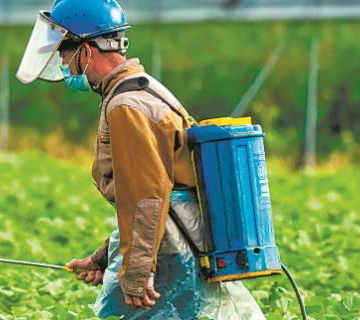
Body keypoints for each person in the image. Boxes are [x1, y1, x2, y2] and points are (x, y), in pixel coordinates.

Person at [15, 0, 265, 318]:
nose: (64, 65)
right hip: (177, 238)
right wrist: (107, 255)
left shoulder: (125, 106)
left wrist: (137, 273)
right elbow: (154, 194)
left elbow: (146, 196)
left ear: (86, 50)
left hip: (171, 250)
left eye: (65, 53)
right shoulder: (142, 89)